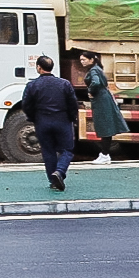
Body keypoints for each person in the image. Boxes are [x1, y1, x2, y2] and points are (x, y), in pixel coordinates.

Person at [17, 54, 80, 190]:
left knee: (48, 151)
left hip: (42, 121)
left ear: (39, 68)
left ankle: (53, 180)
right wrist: (72, 118)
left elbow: (26, 105)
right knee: (67, 150)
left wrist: (33, 117)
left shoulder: (32, 85)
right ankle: (60, 171)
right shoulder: (64, 84)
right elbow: (72, 104)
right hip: (62, 119)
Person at [80, 52, 124, 164]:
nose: (82, 62)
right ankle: (105, 154)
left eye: (84, 59)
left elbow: (96, 82)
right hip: (104, 99)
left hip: (101, 101)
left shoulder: (94, 70)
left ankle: (104, 154)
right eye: (81, 60)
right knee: (106, 127)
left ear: (91, 60)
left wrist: (90, 91)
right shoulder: (97, 68)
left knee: (105, 127)